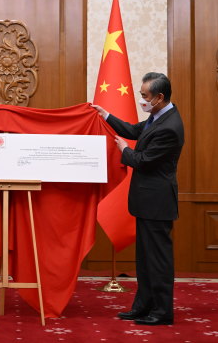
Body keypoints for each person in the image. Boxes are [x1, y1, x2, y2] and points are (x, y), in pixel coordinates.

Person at [91, 72, 184, 326]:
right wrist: (105, 115)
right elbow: (133, 129)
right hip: (147, 203)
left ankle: (162, 312)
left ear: (159, 97)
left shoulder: (169, 128)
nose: (142, 100)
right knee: (144, 259)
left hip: (158, 203)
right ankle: (143, 306)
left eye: (144, 96)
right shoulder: (157, 117)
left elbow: (142, 162)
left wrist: (124, 150)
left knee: (158, 261)